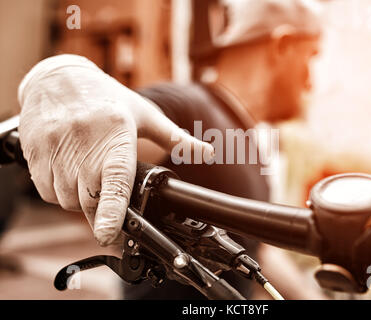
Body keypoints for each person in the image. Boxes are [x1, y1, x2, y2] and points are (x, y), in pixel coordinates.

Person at [17, 0, 323, 299]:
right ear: (282, 46)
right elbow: (101, 134)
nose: (311, 82)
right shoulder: (185, 108)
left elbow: (254, 246)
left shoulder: (247, 139)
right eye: (311, 56)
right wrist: (62, 77)